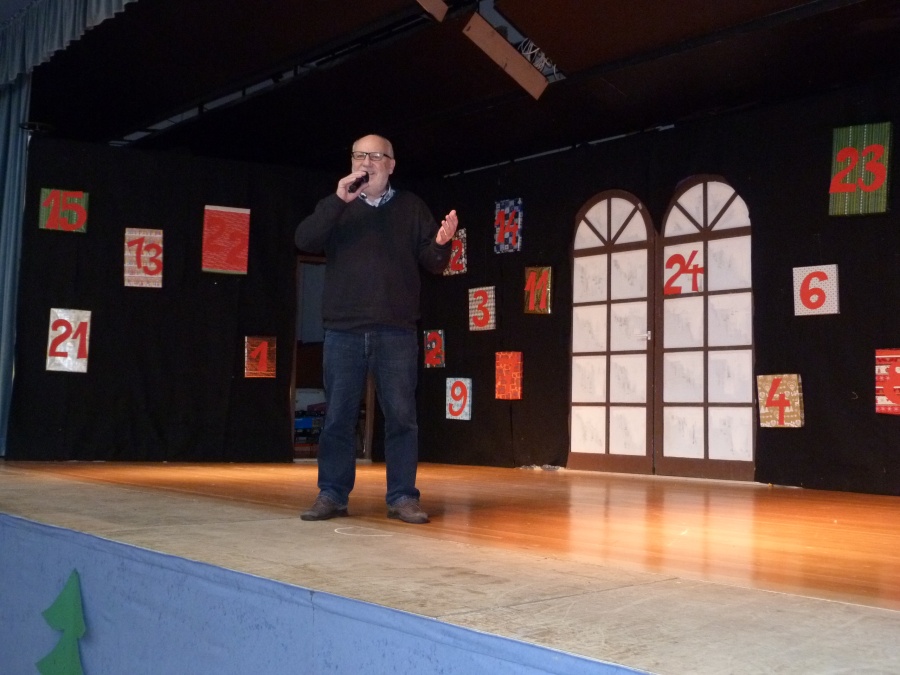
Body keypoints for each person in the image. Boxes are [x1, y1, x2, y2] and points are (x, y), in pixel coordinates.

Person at [295, 134, 458, 524]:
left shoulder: (411, 207)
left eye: (375, 156)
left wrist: (442, 243)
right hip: (344, 330)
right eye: (359, 155)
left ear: (391, 164)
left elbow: (434, 262)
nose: (366, 162)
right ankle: (332, 494)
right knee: (338, 417)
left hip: (395, 331)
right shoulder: (338, 205)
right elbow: (304, 239)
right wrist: (338, 201)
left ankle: (402, 497)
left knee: (401, 417)